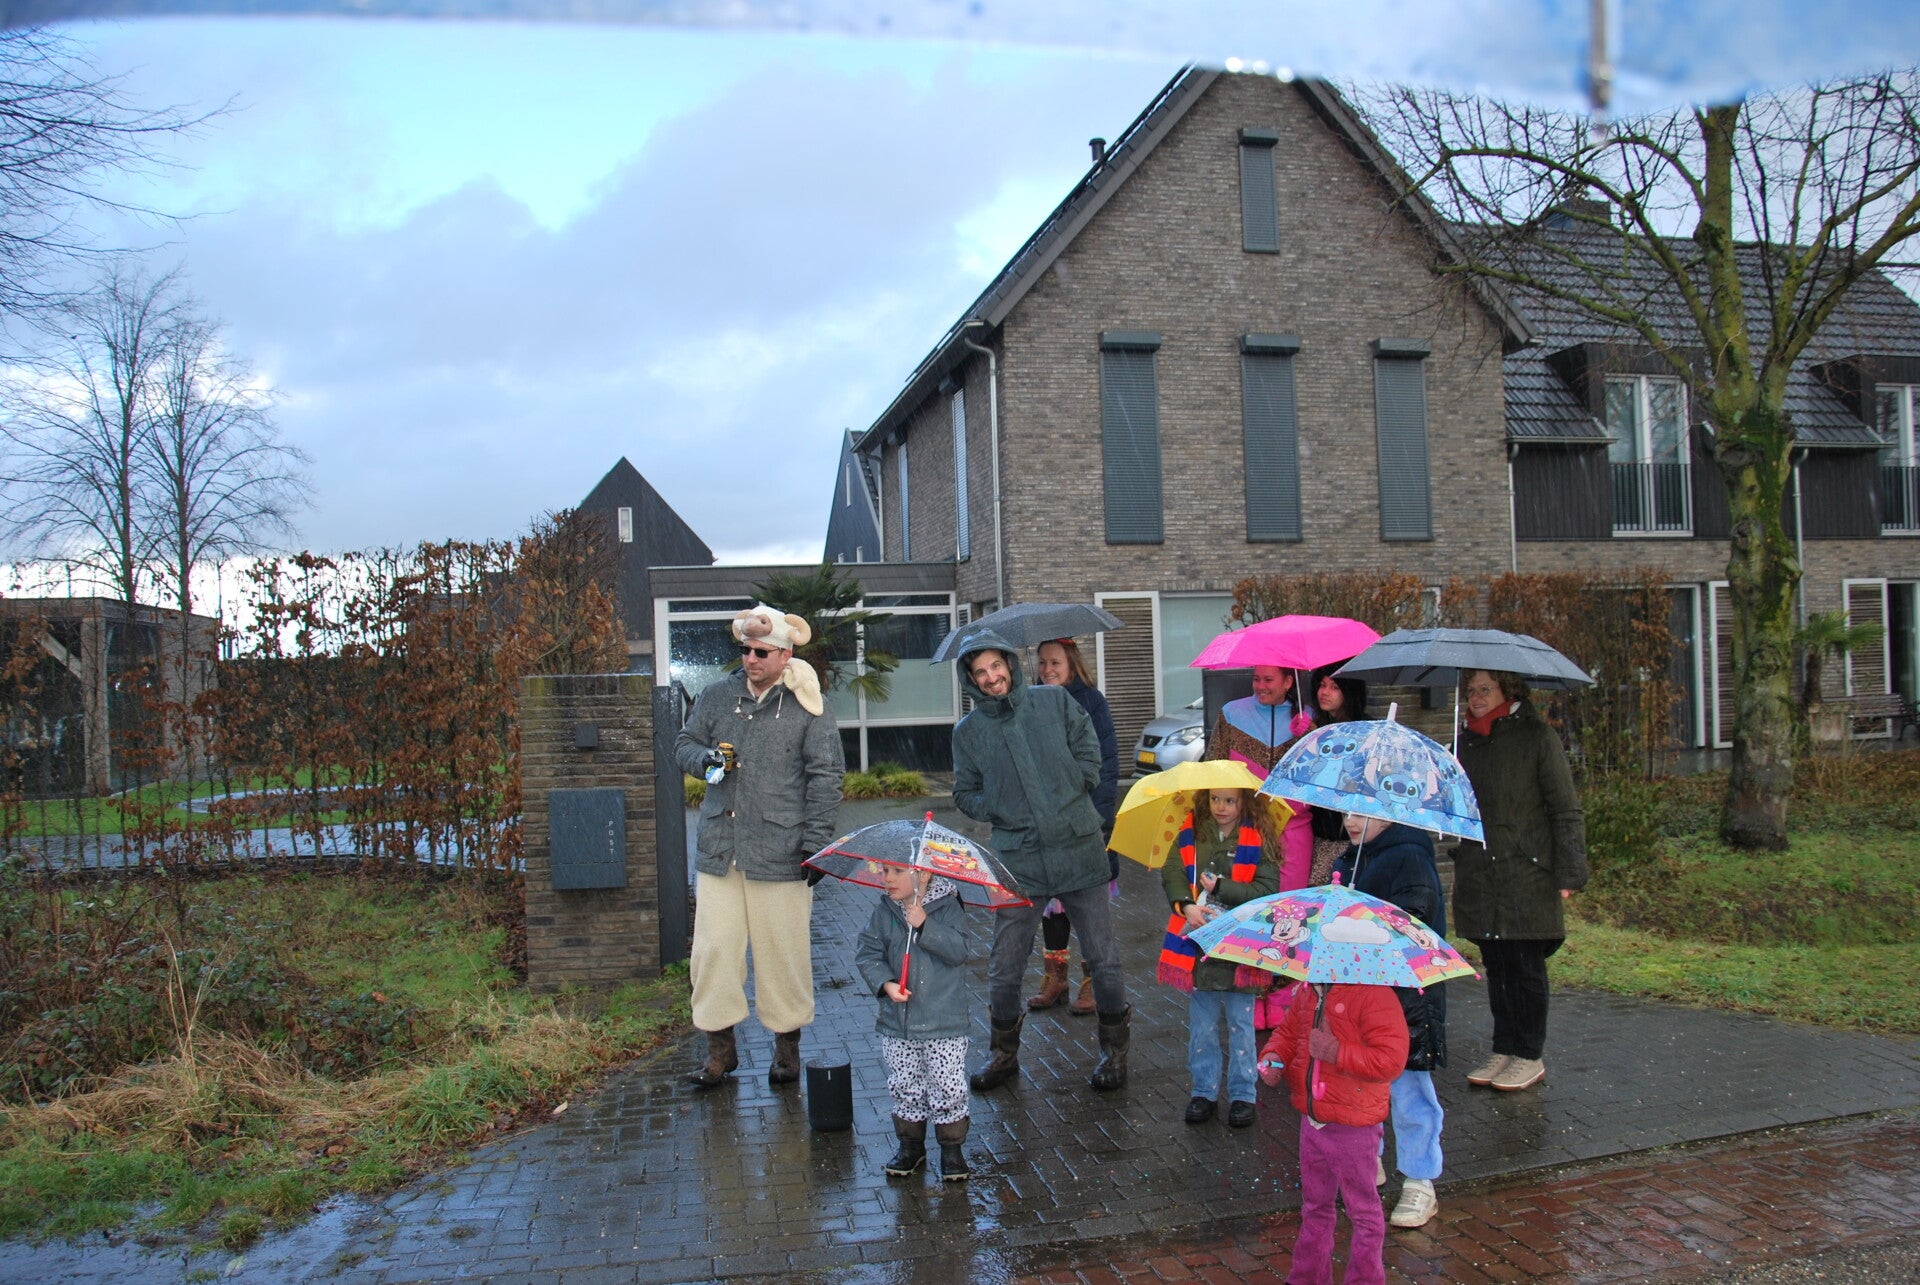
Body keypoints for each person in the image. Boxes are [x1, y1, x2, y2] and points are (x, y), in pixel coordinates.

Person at [673, 604, 846, 1090]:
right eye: (746, 650)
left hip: (782, 851)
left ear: (785, 654)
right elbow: (684, 743)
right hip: (720, 850)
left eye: (761, 652)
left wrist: (816, 845)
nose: (750, 659)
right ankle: (719, 1050)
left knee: (782, 953)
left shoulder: (808, 704)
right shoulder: (716, 696)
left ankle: (786, 1048)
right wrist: (707, 762)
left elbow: (826, 775)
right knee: (713, 953)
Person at [951, 630, 1131, 1091]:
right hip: (1020, 858)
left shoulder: (1053, 701)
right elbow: (964, 793)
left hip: (1078, 847)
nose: (992, 677)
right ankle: (1003, 1055)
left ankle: (1114, 1053)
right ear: (971, 679)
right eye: (981, 672)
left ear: (1010, 664)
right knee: (1005, 965)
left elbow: (1091, 749)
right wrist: (997, 805)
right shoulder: (969, 733)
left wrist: (1079, 787)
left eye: (996, 666)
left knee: (1103, 958)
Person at [1452, 668, 1588, 1094]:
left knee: (1525, 964)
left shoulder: (1537, 737)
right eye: (1470, 690)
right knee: (1497, 964)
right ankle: (1505, 1047)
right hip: (1482, 871)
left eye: (1485, 689)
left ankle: (1529, 1054)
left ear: (1507, 690)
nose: (1475, 698)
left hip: (1526, 870)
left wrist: (1570, 870)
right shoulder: (1465, 743)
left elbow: (1564, 808)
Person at [1333, 813, 1448, 1230]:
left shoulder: (1410, 855)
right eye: (1346, 811)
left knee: (1409, 1089)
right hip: (1362, 993)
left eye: (1362, 813)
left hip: (1407, 996)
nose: (1350, 821)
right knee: (1364, 1085)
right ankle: (1369, 1159)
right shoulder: (1350, 859)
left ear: (1387, 814)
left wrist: (1359, 923)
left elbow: (1414, 919)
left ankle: (1420, 1180)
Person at [1268, 977, 1409, 1285]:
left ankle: (1366, 1279)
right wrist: (1274, 1058)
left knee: (1363, 1211)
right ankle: (1308, 1277)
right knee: (1314, 1206)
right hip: (1313, 1119)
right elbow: (1288, 1033)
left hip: (1353, 1124)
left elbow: (1390, 1060)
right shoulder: (1309, 991)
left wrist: (1336, 1051)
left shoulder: (1374, 995)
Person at [1157, 787, 1278, 1128]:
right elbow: (1173, 871)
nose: (1220, 807)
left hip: (1241, 947)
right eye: (1214, 799)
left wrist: (1222, 888)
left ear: (1244, 802)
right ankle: (1204, 1091)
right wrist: (1186, 905)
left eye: (1229, 800)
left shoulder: (1259, 837)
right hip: (1201, 945)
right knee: (1203, 1024)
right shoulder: (1192, 832)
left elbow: (1267, 890)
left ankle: (1243, 1094)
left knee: (1241, 1024)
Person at [854, 862, 972, 1182]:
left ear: (924, 874)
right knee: (905, 1083)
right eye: (884, 871)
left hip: (943, 1022)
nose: (887, 879)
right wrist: (886, 983)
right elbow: (868, 952)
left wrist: (924, 926)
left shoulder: (948, 907)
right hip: (900, 1023)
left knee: (947, 1084)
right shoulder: (885, 911)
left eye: (897, 872)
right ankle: (910, 1145)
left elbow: (959, 950)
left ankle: (951, 1148)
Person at [1028, 637, 1120, 1017]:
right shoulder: (1030, 702)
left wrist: (1098, 819)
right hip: (1046, 822)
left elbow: (1107, 761)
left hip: (1084, 821)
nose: (1047, 669)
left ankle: (1093, 980)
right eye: (1042, 663)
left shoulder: (1091, 702)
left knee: (1088, 908)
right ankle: (1056, 978)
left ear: (1071, 664)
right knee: (1053, 907)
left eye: (1055, 662)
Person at [1204, 665, 1314, 891]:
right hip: (1242, 828)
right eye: (1256, 679)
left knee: (1289, 905)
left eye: (1268, 680)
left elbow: (1320, 775)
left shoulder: (1306, 717)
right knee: (1242, 901)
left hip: (1292, 831)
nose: (1260, 686)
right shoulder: (1232, 713)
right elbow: (1213, 767)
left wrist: (1311, 732)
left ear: (1288, 682)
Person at [1306, 667, 1369, 887]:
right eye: (1322, 685)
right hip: (1320, 833)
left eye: (1334, 687)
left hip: (1350, 834)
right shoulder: (1317, 727)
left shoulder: (1365, 731)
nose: (1324, 692)